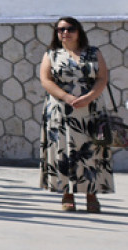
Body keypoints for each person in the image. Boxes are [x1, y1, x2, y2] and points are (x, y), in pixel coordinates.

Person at [38, 17, 113, 213]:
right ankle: (67, 194)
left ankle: (92, 194)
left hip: (91, 109)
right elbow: (46, 80)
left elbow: (102, 77)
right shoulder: (52, 54)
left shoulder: (94, 53)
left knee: (93, 151)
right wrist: (67, 97)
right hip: (61, 110)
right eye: (60, 29)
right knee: (64, 151)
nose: (65, 32)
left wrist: (89, 97)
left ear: (79, 31)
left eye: (70, 28)